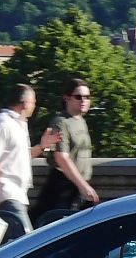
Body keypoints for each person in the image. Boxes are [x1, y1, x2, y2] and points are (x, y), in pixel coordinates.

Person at [0, 83, 60, 241]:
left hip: (17, 194)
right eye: (33, 102)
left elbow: (22, 157)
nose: (35, 106)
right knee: (27, 241)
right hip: (6, 195)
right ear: (24, 103)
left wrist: (42, 146)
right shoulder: (2, 123)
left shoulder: (19, 125)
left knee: (3, 245)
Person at [30, 77, 99, 224]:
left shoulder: (81, 120)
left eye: (87, 97)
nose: (84, 101)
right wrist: (83, 186)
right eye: (78, 97)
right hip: (62, 186)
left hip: (77, 186)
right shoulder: (61, 122)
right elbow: (61, 157)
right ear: (67, 98)